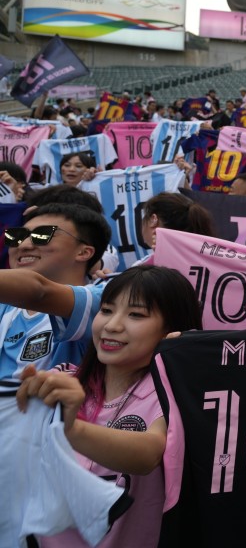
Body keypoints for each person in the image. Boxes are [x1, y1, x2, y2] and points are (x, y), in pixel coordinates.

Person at [16, 265, 202, 548]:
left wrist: (70, 428)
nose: (112, 325)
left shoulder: (174, 395)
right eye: (106, 310)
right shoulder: (58, 382)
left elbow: (148, 453)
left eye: (136, 315)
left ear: (172, 330)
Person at [0, 203, 111, 380]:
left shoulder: (106, 299)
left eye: (42, 234)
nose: (24, 246)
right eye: (17, 236)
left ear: (84, 252)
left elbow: (39, 291)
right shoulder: (4, 307)